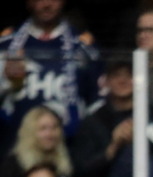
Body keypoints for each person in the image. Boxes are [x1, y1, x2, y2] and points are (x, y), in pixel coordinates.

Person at [0, 0, 102, 152]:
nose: (47, 4)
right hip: (13, 151)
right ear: (29, 3)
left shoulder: (83, 47)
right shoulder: (6, 45)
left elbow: (97, 105)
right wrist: (7, 82)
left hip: (69, 151)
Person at [70, 58, 134, 177]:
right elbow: (81, 171)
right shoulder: (92, 121)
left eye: (129, 75)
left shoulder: (150, 117)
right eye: (117, 75)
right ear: (105, 81)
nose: (123, 81)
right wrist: (113, 147)